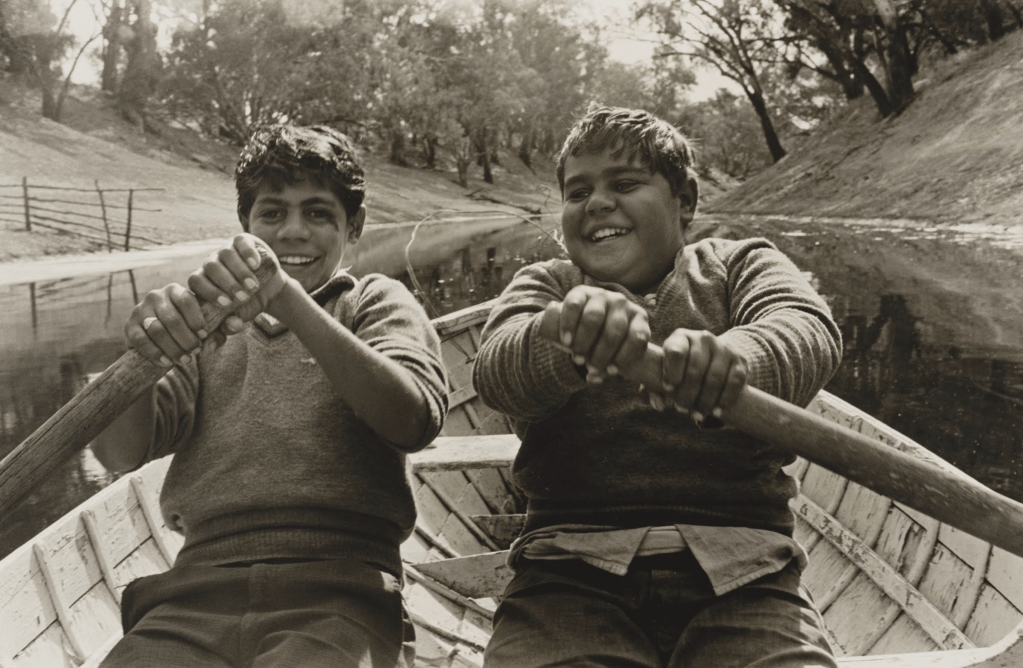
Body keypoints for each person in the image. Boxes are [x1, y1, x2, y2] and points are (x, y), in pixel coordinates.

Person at [472, 105, 843, 668]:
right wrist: (564, 337)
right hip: (567, 572)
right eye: (578, 192)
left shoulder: (740, 264)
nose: (597, 202)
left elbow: (806, 329)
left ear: (685, 201)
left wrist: (734, 359)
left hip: (747, 571)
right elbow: (496, 376)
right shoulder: (547, 286)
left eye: (624, 184)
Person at [93, 124, 448, 668]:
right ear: (246, 227)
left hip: (342, 592)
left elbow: (414, 421)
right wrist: (146, 355)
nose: (295, 231)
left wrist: (286, 299)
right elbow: (119, 454)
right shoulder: (205, 323)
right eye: (273, 213)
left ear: (354, 229)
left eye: (319, 214)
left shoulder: (376, 301)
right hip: (196, 592)